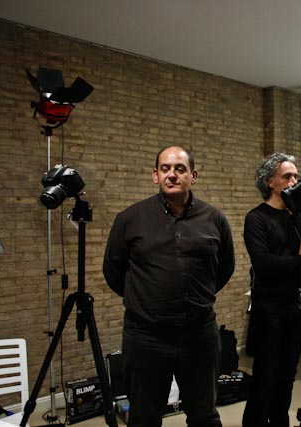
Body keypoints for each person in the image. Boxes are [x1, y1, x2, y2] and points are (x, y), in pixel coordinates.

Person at [103, 145, 235, 427]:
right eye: (165, 169)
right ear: (155, 175)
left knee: (204, 416)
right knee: (144, 419)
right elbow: (113, 271)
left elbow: (224, 267)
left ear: (193, 176)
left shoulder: (214, 219)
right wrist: (147, 299)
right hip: (146, 336)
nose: (172, 174)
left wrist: (197, 296)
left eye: (180, 169)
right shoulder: (130, 219)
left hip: (199, 334)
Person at [242, 153, 301, 427]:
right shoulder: (256, 218)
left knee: (287, 375)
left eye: (296, 176)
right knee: (265, 376)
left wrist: (297, 213)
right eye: (287, 176)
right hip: (269, 310)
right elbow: (264, 264)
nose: (294, 182)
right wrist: (299, 259)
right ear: (270, 181)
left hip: (295, 308)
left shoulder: (300, 216)